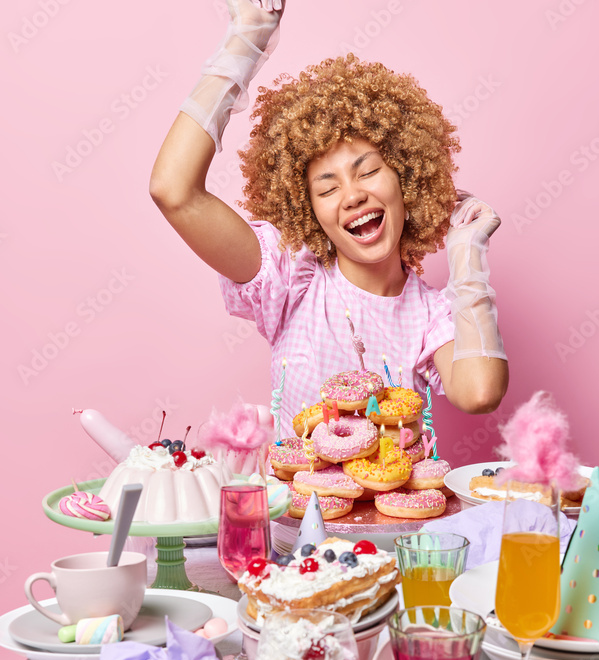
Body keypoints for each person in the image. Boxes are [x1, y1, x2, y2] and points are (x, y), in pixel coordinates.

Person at [150, 0, 508, 428]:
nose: (352, 196)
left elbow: (481, 394)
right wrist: (245, 43)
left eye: (369, 171)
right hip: (295, 496)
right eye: (327, 187)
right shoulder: (289, 279)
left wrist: (468, 255)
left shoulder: (434, 314)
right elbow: (173, 191)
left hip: (394, 494)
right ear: (308, 210)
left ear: (407, 178)